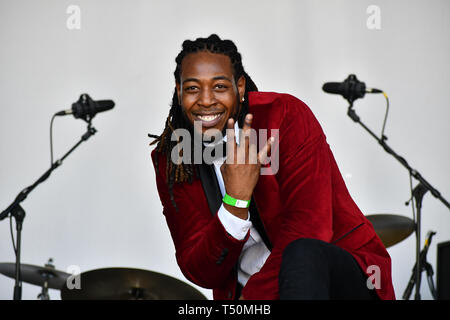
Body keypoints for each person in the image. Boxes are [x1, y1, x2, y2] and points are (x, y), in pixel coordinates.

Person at [149, 34, 395, 300]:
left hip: (337, 282)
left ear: (240, 87)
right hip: (246, 293)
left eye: (219, 86)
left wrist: (251, 301)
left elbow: (310, 229)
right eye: (193, 88)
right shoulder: (174, 158)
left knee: (302, 252)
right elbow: (199, 269)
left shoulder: (285, 117)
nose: (206, 100)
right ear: (178, 90)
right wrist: (235, 202)